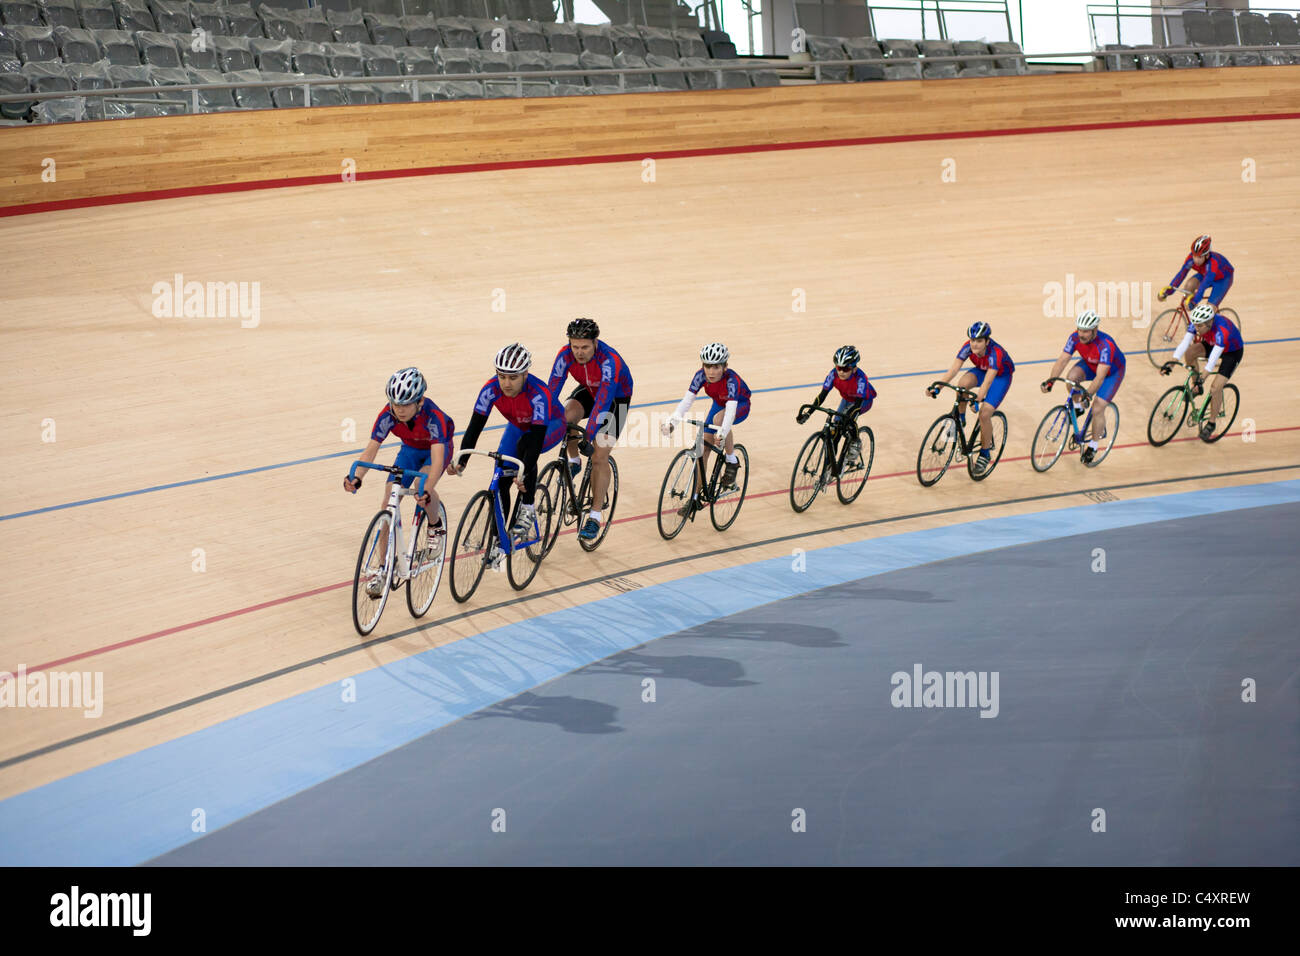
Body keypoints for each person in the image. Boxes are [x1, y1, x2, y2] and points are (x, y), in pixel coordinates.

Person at [344, 367, 455, 598]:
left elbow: (435, 462)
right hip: (410, 450)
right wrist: (357, 477)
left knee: (422, 487)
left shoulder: (435, 418)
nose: (399, 409)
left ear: (420, 401)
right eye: (395, 404)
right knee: (387, 504)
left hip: (436, 450)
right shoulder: (388, 414)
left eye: (405, 404)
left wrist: (425, 489)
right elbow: (370, 450)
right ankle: (383, 570)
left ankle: (435, 526)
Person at [451, 343, 566, 548]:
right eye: (502, 376)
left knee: (526, 446)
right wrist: (463, 460)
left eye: (513, 378)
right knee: (501, 475)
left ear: (525, 374)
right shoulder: (490, 389)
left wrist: (524, 472)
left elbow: (536, 440)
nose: (506, 383)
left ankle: (528, 508)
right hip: (518, 426)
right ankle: (498, 541)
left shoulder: (539, 394)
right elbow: (475, 426)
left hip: (551, 426)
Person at [546, 317, 634, 541]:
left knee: (598, 456)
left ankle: (594, 516)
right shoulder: (564, 355)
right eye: (575, 346)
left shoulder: (609, 360)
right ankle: (574, 462)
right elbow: (551, 389)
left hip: (615, 399)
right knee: (565, 418)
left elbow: (603, 403)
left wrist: (590, 436)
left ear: (596, 343)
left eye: (585, 347)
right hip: (588, 389)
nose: (579, 352)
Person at [660, 343, 751, 515]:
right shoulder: (700, 376)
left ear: (725, 367)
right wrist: (672, 422)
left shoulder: (732, 381)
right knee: (701, 452)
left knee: (720, 420)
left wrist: (722, 434)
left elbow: (730, 413)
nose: (711, 371)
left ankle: (732, 461)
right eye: (707, 366)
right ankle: (695, 499)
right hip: (719, 404)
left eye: (716, 367)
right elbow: (686, 402)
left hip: (739, 405)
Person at [925, 322, 1013, 476]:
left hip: (1000, 377)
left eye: (979, 341)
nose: (974, 344)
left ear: (987, 341)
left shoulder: (995, 353)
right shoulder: (967, 347)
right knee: (962, 385)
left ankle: (985, 454)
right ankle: (961, 419)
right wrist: (938, 387)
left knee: (984, 414)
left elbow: (988, 381)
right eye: (972, 340)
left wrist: (979, 400)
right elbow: (953, 369)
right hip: (981, 370)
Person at [1041, 310, 1126, 465]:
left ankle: (1093, 446)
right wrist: (1050, 381)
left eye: (1086, 331)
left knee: (1097, 408)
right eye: (1079, 329)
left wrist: (1089, 395)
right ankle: (1079, 407)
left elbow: (1100, 378)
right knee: (1071, 379)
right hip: (1091, 364)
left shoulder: (1105, 345)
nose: (1081, 334)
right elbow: (1062, 361)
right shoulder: (1074, 337)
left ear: (1095, 330)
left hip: (1111, 372)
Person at [1164, 301, 1245, 440]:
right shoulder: (1198, 323)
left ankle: (1211, 423)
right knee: (1190, 353)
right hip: (1212, 343)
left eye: (1199, 326)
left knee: (1215, 388)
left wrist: (1204, 377)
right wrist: (1171, 363)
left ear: (1209, 323)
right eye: (1195, 325)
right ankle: (1196, 388)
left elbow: (1212, 360)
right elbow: (1184, 343)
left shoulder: (1221, 330)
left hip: (1231, 352)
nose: (1197, 328)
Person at [796, 345, 876, 469]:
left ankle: (855, 442)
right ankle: (829, 469)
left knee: (848, 419)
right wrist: (808, 413)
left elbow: (857, 406)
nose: (841, 372)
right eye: (839, 368)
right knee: (835, 432)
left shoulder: (861, 379)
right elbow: (821, 396)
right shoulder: (833, 375)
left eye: (845, 369)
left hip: (863, 401)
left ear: (854, 369)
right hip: (847, 399)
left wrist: (847, 420)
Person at [1157, 234, 1234, 312]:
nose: (1196, 260)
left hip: (1222, 280)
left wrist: (1194, 302)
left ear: (1207, 255)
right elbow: (1181, 274)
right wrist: (1168, 291)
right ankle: (1196, 318)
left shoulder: (1213, 263)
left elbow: (1204, 285)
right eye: (1194, 255)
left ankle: (1210, 321)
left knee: (1209, 310)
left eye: (1199, 257)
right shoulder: (1190, 258)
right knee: (1189, 285)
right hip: (1205, 274)